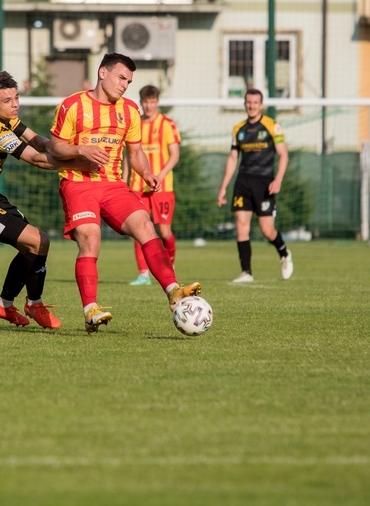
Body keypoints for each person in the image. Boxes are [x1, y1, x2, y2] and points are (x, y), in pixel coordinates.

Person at [47, 53, 201, 333]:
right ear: (102, 72)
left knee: (146, 226)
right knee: (91, 239)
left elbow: (136, 152)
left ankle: (173, 290)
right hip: (78, 183)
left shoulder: (129, 110)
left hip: (113, 184)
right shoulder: (72, 105)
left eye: (128, 81)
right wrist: (81, 149)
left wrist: (146, 172)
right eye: (120, 77)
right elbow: (54, 147)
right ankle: (90, 309)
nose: (124, 85)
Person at [0, 71, 77, 329]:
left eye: (16, 98)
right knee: (38, 241)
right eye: (7, 100)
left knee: (34, 246)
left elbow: (38, 141)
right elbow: (37, 159)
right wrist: (80, 161)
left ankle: (4, 304)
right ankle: (33, 304)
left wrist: (65, 148)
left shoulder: (4, 118)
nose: (14, 104)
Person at [216, 88, 293, 283]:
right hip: (243, 182)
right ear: (244, 104)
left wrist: (278, 180)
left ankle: (284, 252)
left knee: (267, 230)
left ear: (261, 105)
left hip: (265, 183)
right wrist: (223, 187)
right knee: (241, 225)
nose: (251, 106)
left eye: (255, 102)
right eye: (248, 102)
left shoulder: (272, 126)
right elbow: (233, 158)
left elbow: (283, 155)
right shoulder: (238, 129)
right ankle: (246, 272)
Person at [126, 85, 181, 286]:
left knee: (165, 232)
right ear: (141, 102)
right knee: (138, 228)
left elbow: (175, 155)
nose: (148, 106)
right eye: (145, 102)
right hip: (137, 185)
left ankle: (169, 265)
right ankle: (143, 273)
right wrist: (123, 179)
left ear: (157, 102)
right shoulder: (135, 124)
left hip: (162, 187)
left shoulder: (167, 124)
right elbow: (129, 155)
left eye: (152, 102)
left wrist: (160, 175)